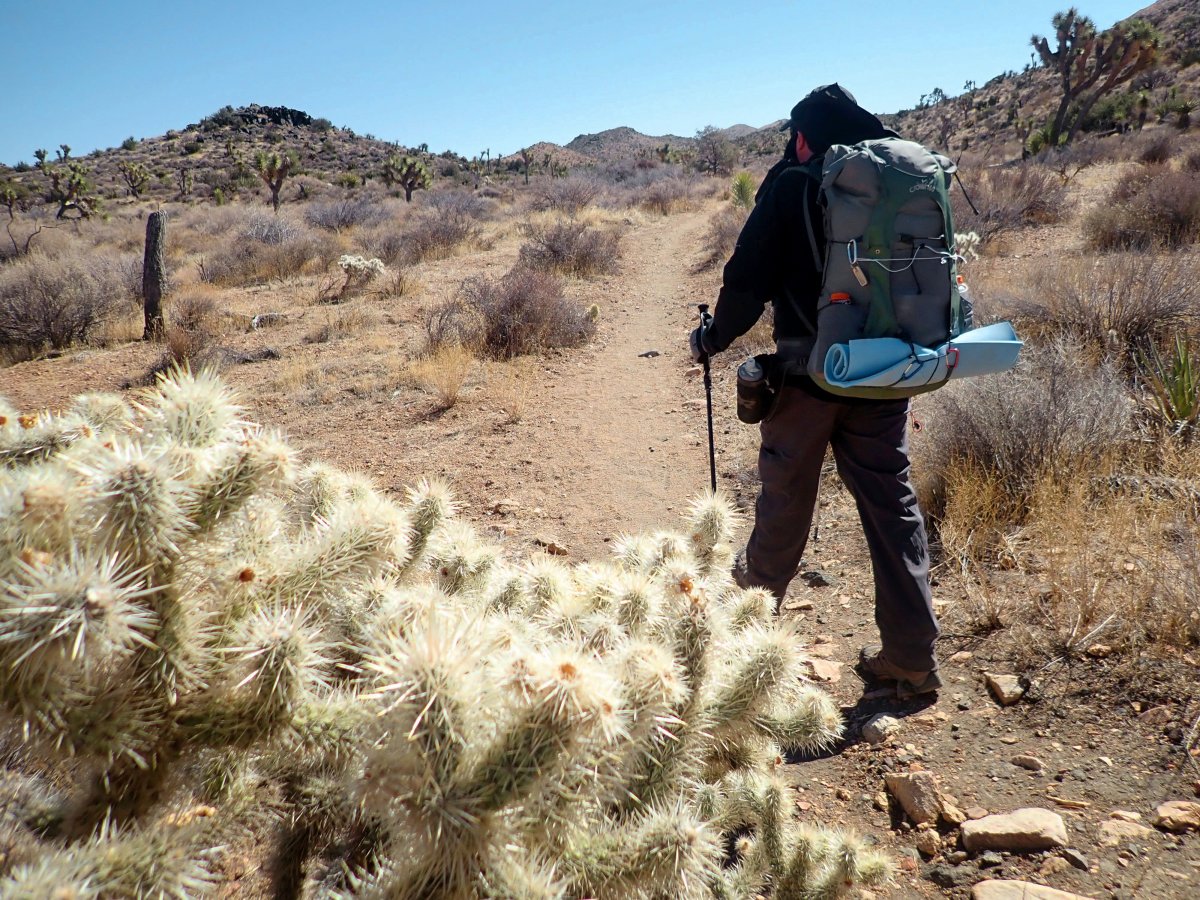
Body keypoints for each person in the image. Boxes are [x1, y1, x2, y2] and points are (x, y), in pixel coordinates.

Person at [689, 84, 941, 698]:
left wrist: (712, 338)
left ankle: (748, 649)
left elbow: (745, 282)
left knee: (784, 498)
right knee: (892, 504)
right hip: (884, 373)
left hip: (808, 376)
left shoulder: (792, 184)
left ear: (802, 136)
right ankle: (911, 656)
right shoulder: (889, 190)